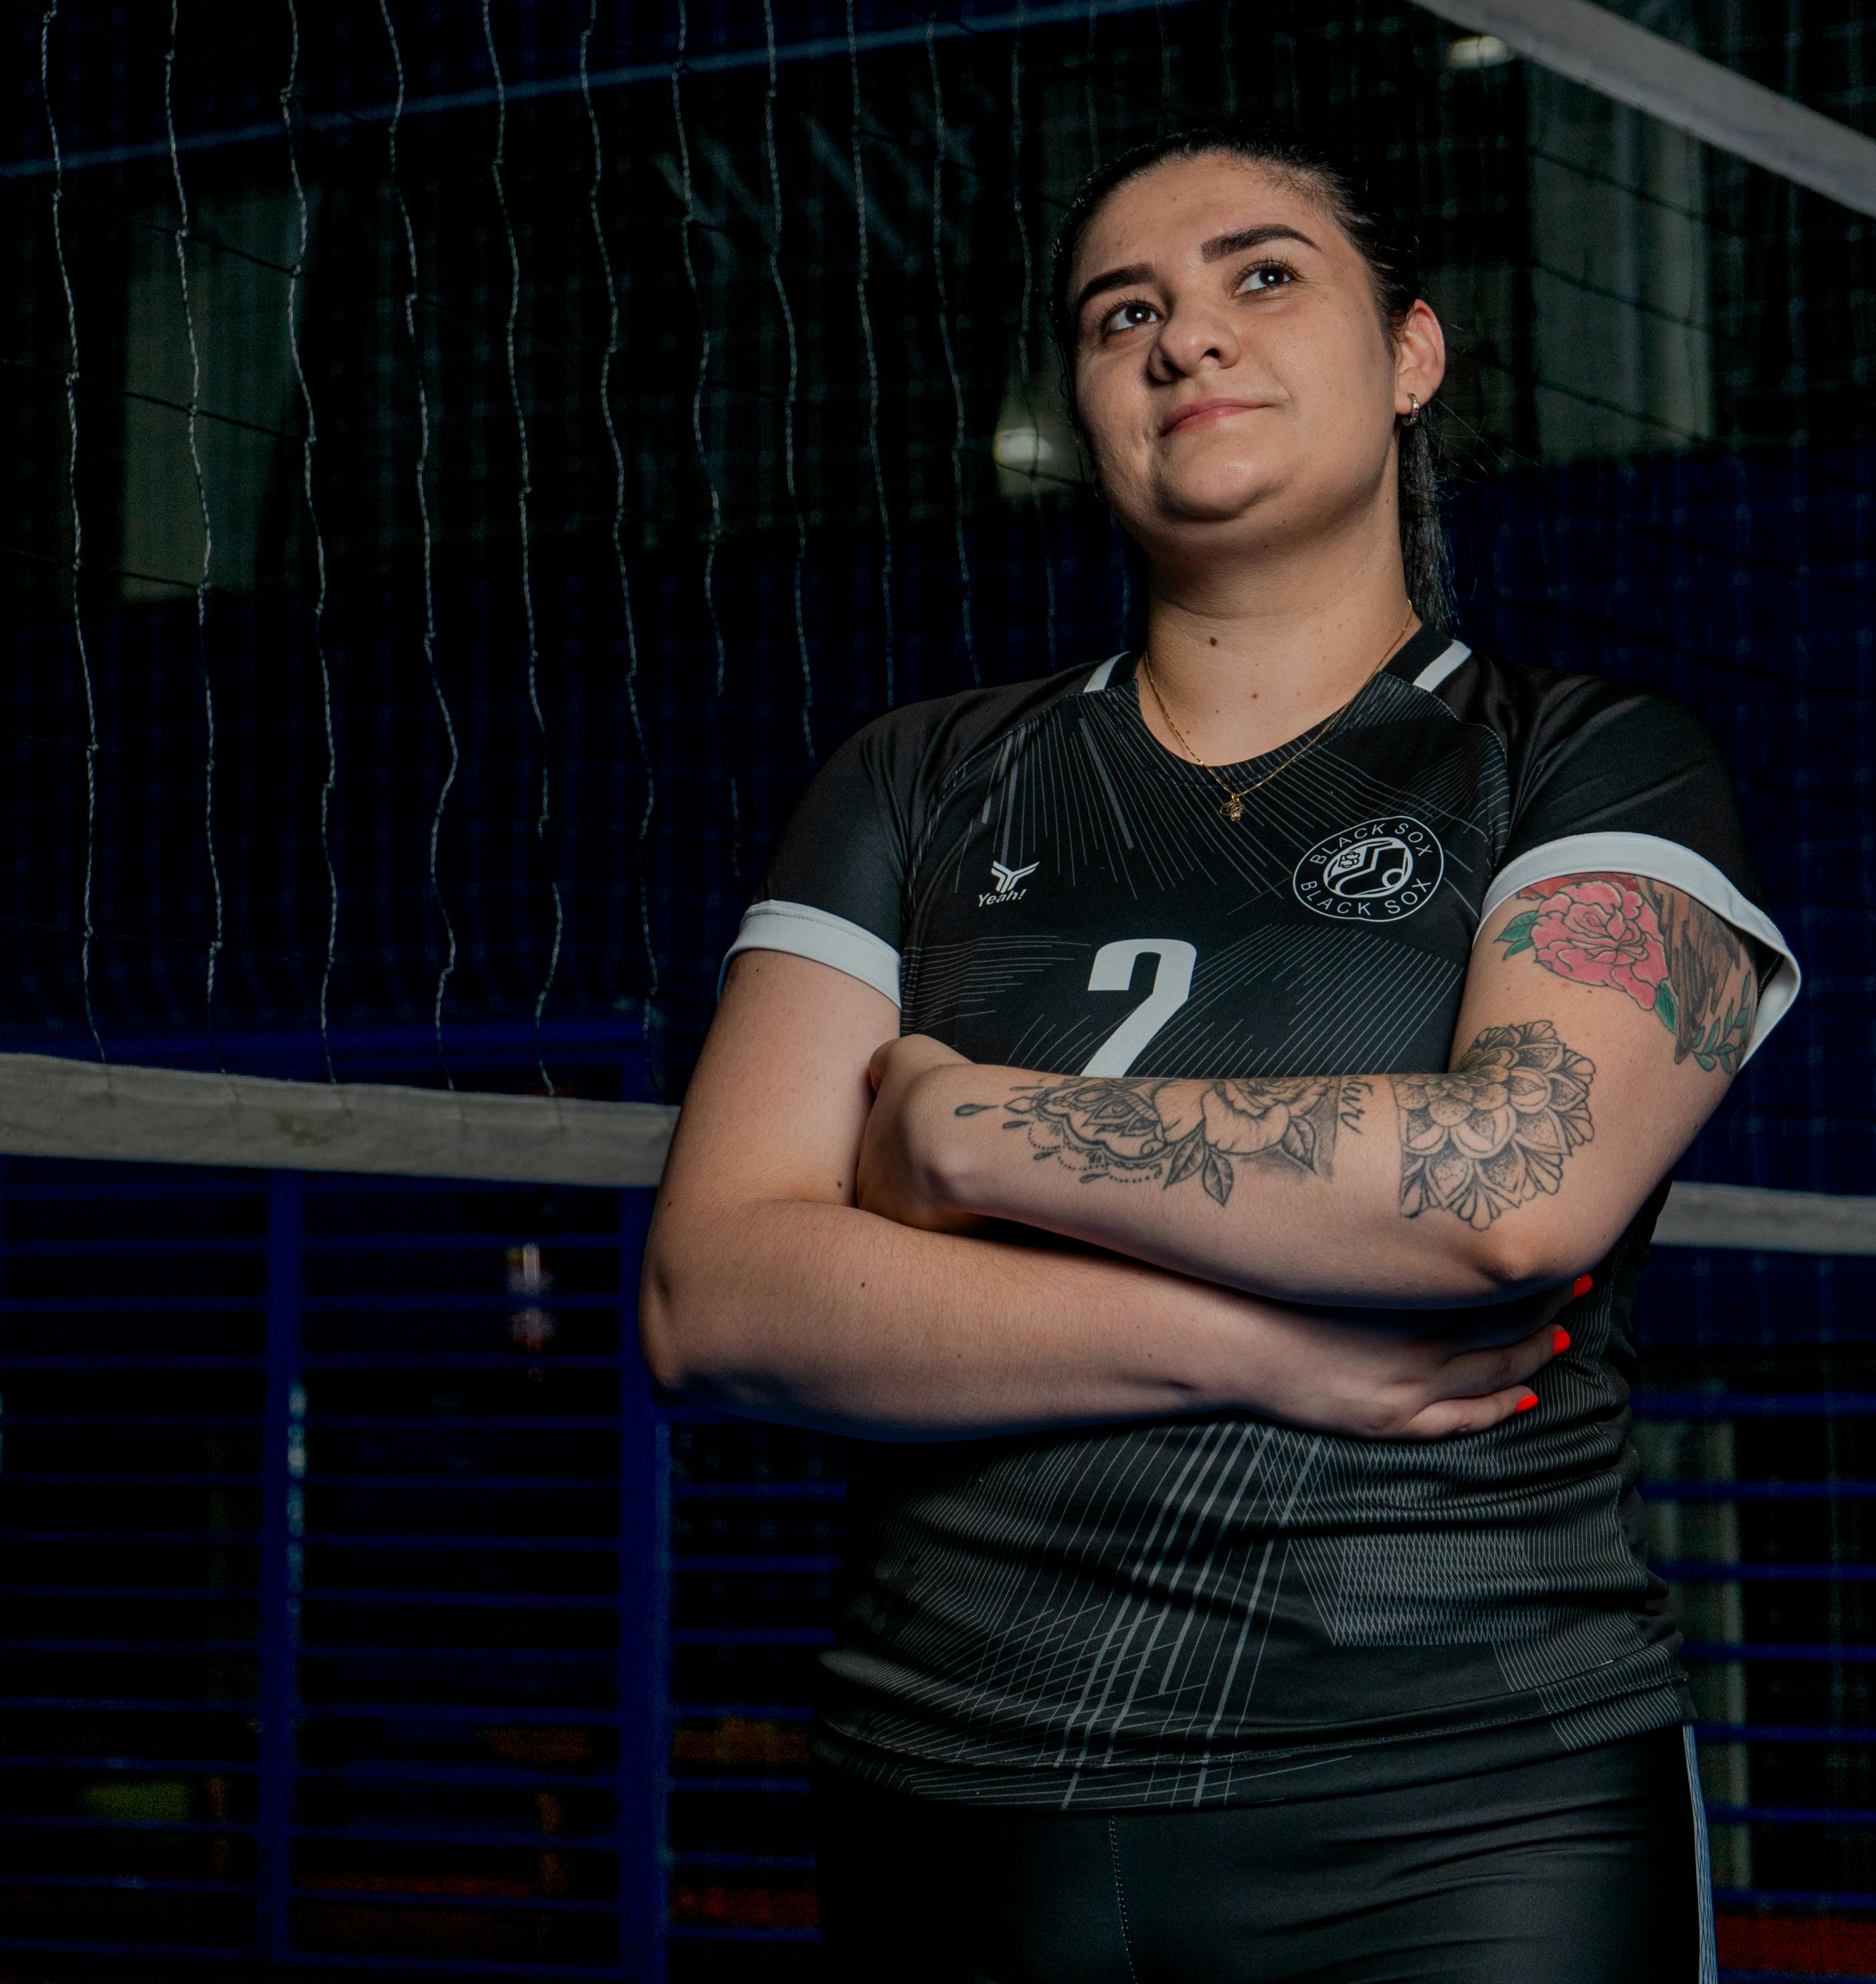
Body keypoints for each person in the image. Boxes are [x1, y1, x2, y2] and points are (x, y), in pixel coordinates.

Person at [644, 120, 1797, 1984]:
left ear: (1411, 351)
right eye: (1125, 315)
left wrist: (970, 1134)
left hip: (1464, 1804)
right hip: (951, 1789)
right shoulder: (914, 780)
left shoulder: (1587, 756)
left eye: (1265, 275)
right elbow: (714, 1294)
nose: (1189, 340)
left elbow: (1514, 1185)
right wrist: (1257, 1345)